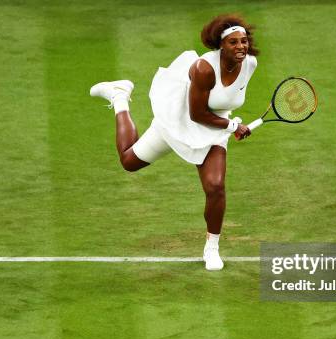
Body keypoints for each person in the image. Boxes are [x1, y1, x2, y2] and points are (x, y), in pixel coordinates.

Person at [90, 14, 259, 270]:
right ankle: (119, 96)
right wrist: (233, 126)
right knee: (129, 161)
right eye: (233, 42)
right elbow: (197, 114)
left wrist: (229, 123)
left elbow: (225, 101)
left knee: (215, 186)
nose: (241, 47)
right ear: (220, 45)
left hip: (214, 128)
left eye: (244, 41)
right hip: (179, 120)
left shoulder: (250, 64)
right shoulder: (203, 68)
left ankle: (211, 248)